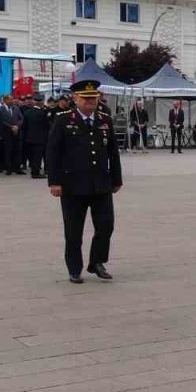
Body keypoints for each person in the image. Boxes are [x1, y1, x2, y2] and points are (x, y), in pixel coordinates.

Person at [47, 80, 122, 283]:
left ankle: (97, 261)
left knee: (106, 226)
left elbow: (113, 152)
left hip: (100, 184)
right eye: (86, 98)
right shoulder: (63, 120)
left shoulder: (104, 119)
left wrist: (116, 179)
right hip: (73, 185)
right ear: (75, 99)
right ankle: (74, 267)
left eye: (94, 98)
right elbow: (53, 153)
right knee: (73, 230)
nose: (91, 102)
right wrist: (54, 182)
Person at [21, 94, 52, 179]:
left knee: (33, 156)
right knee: (37, 157)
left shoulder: (27, 112)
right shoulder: (43, 113)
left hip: (29, 138)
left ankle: (34, 170)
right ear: (41, 102)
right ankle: (35, 172)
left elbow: (24, 126)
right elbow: (47, 125)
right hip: (40, 138)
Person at [0, 94, 24, 175]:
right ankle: (8, 168)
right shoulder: (0, 109)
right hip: (7, 133)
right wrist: (11, 126)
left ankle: (17, 168)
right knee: (8, 151)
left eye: (12, 99)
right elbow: (1, 121)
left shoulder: (16, 108)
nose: (12, 101)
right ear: (5, 100)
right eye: (10, 99)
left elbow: (21, 118)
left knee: (17, 151)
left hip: (16, 132)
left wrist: (17, 126)